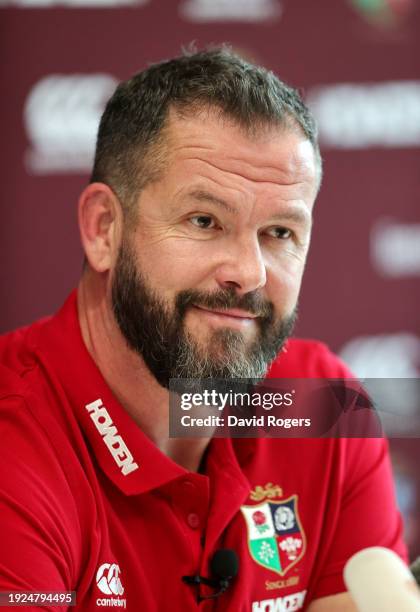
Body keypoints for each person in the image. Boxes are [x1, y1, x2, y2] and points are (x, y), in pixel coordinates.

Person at [0, 47, 406, 611]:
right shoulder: (13, 444)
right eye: (204, 221)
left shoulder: (322, 409)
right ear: (103, 229)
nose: (248, 273)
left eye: (280, 233)